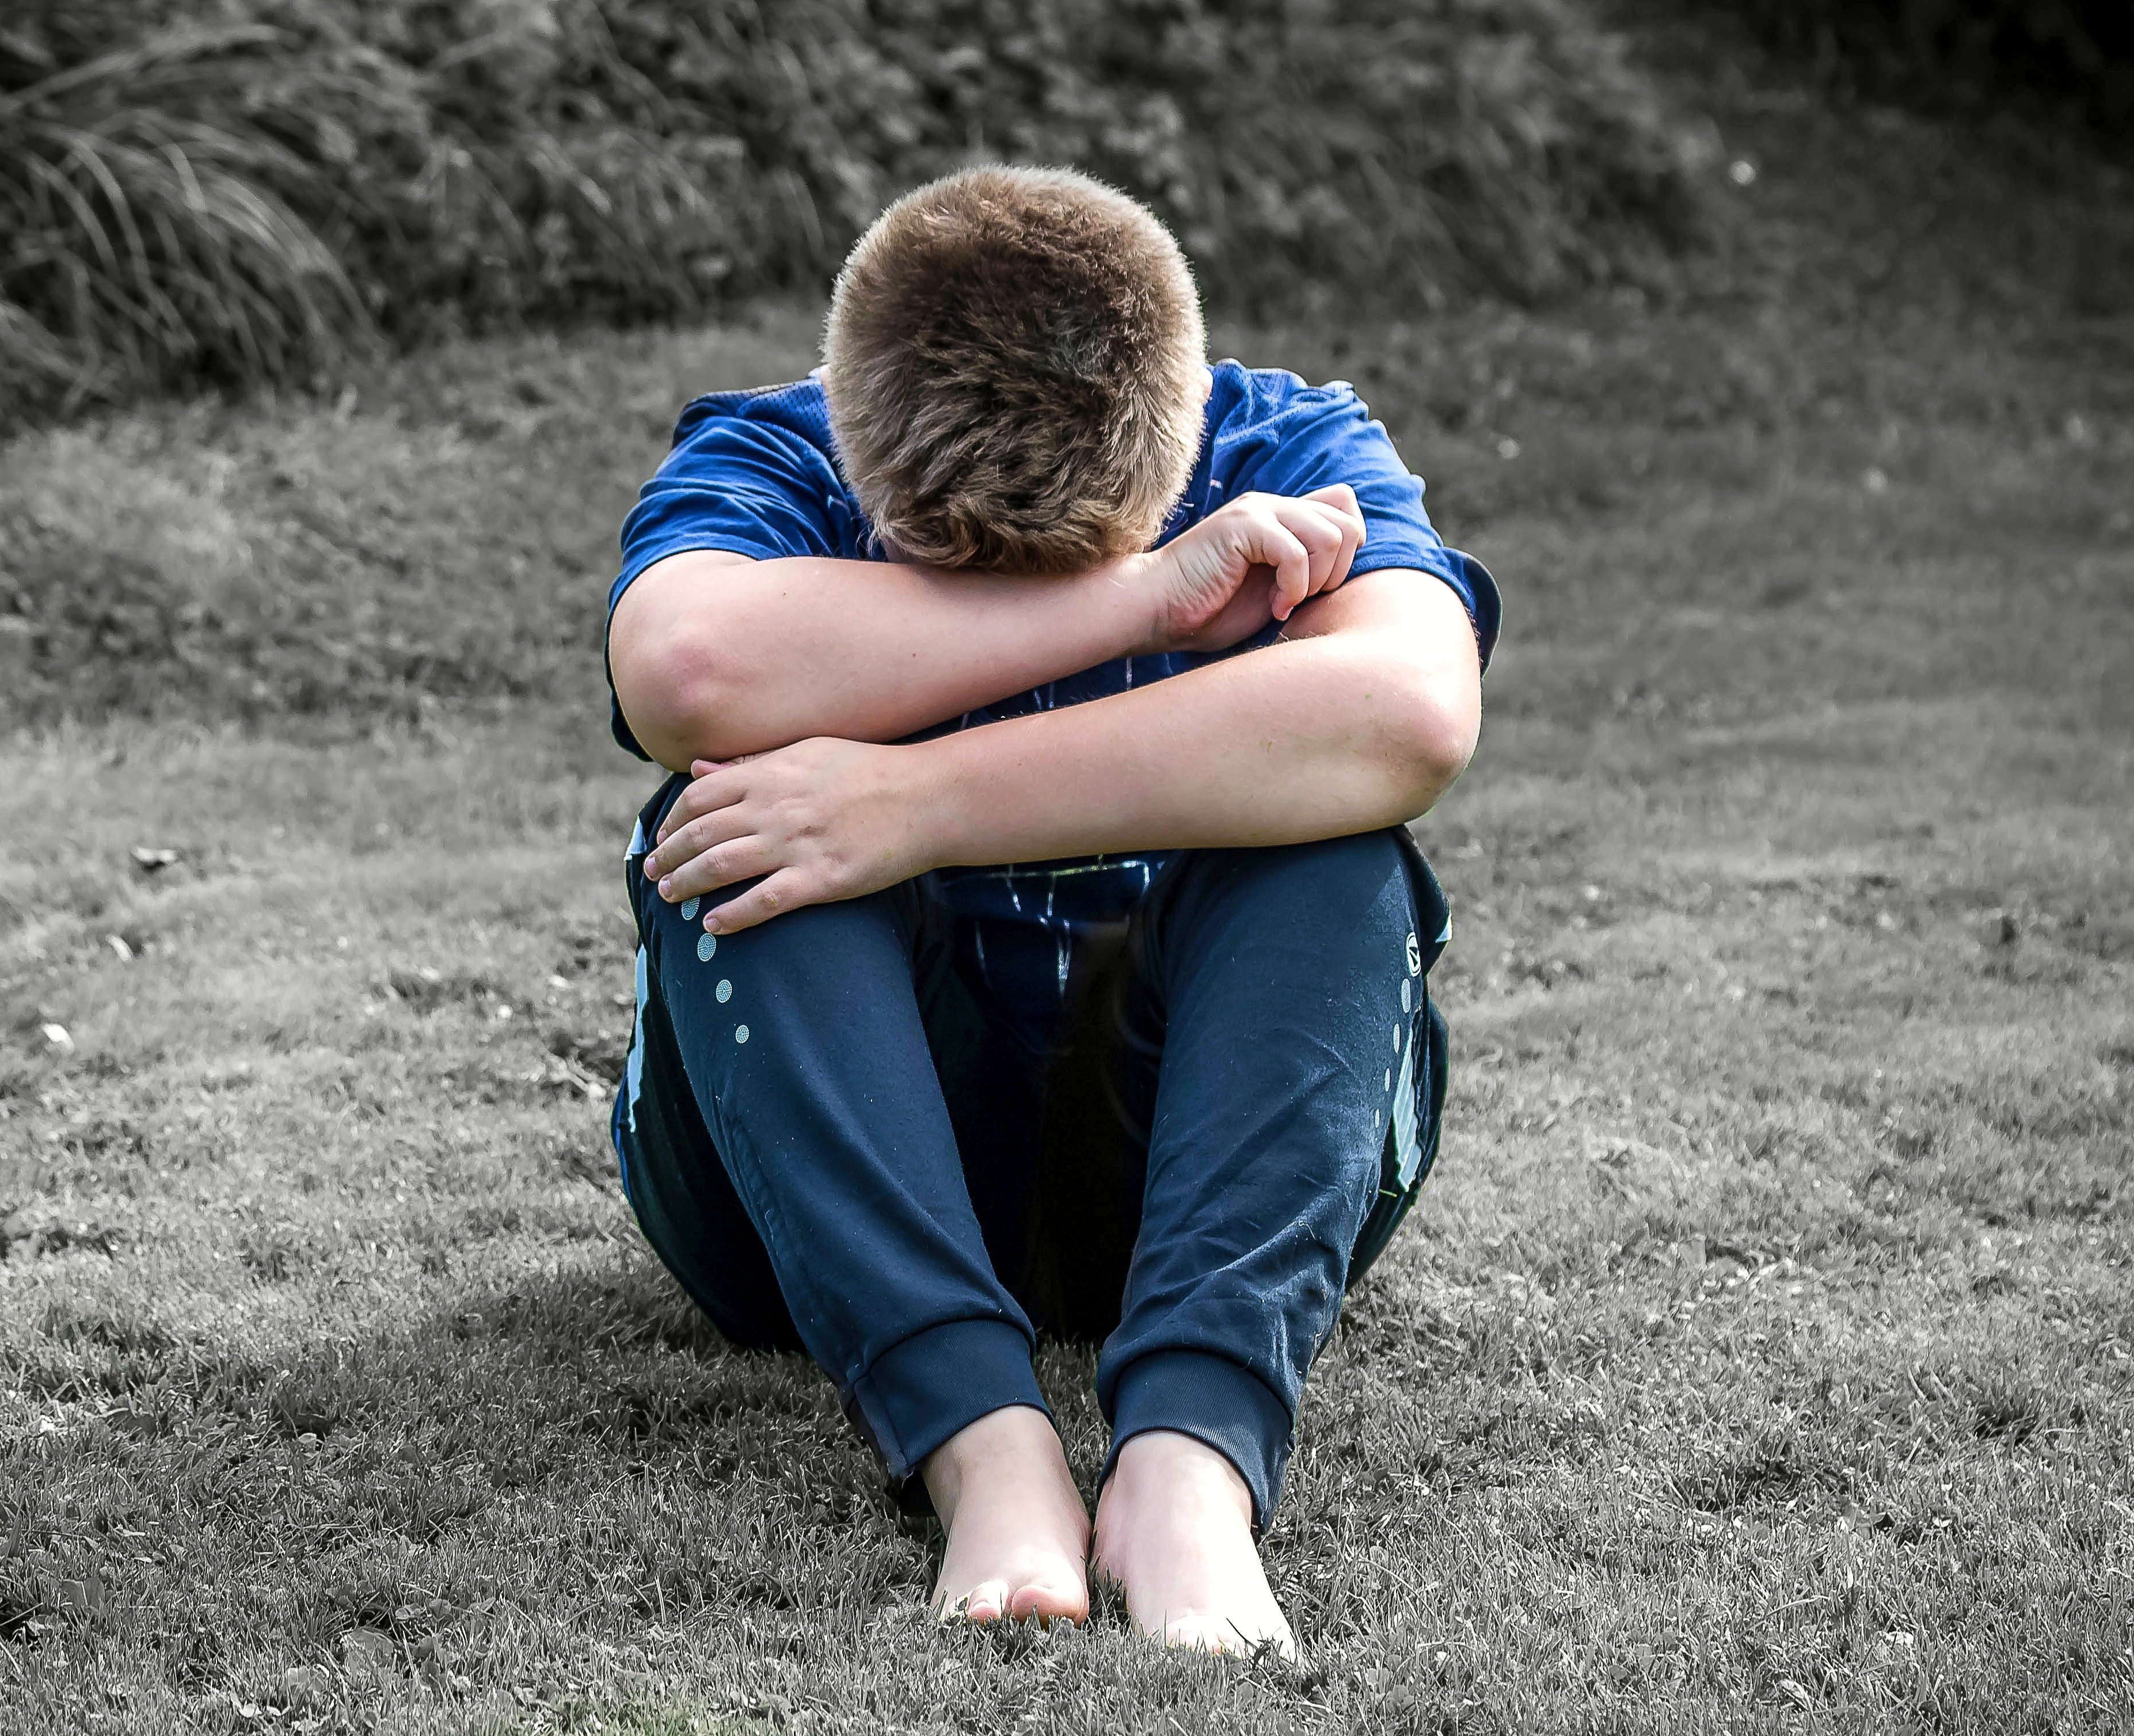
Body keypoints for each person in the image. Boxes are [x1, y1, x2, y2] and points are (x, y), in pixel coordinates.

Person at [600, 165, 1500, 1659]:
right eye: (949, 578)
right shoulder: (774, 453)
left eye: (1064, 567)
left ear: (1186, 438)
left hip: (1184, 1155)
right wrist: (1143, 599)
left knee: (1335, 837)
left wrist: (917, 804)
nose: (1002, 613)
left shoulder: (1287, 440)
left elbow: (1408, 715)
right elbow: (686, 675)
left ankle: (1189, 1462)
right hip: (804, 1204)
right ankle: (982, 1445)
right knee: (733, 821)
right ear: (851, 440)